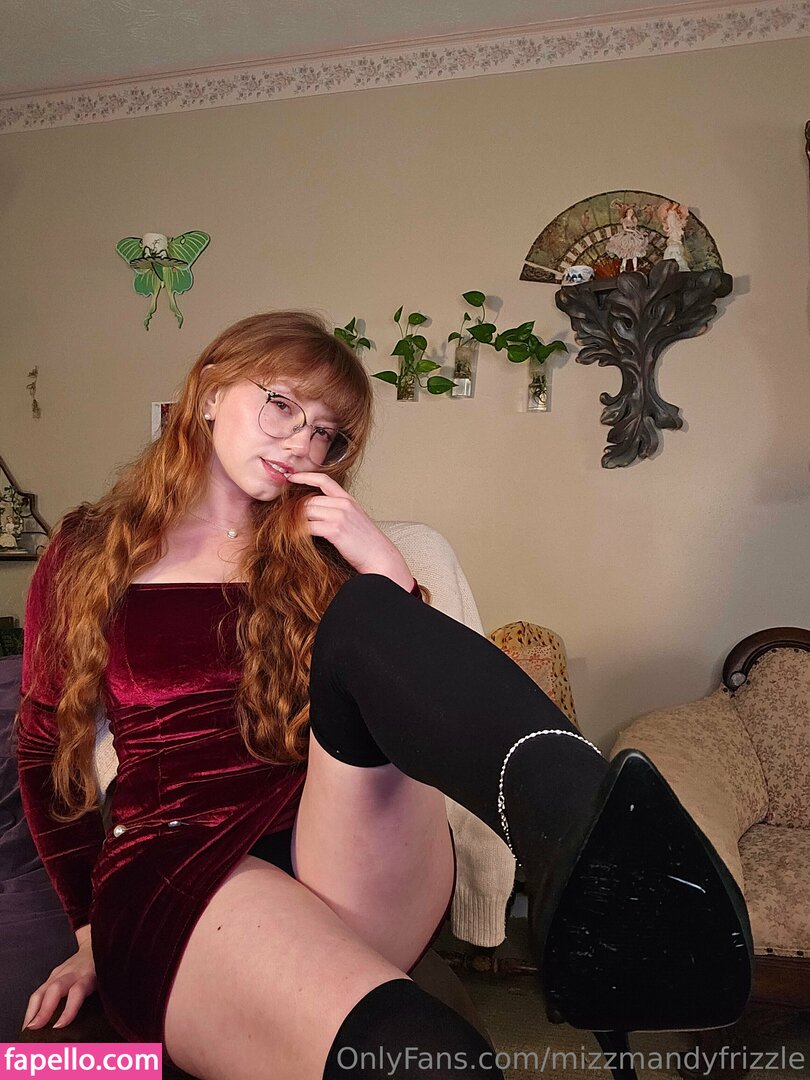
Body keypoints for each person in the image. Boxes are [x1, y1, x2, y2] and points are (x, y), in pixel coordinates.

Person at [15, 311, 752, 1080]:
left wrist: (385, 568)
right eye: (282, 405)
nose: (301, 444)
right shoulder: (87, 547)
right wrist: (89, 932)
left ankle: (587, 845)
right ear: (208, 391)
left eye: (326, 433)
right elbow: (40, 752)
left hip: (344, 842)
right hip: (183, 858)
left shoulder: (323, 554)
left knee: (369, 611)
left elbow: (416, 700)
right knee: (434, 1061)